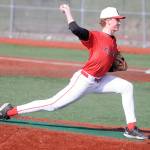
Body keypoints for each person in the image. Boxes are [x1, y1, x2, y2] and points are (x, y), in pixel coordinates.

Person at [0, 4, 148, 140]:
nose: (119, 22)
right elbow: (76, 30)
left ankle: (130, 128)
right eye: (117, 19)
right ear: (108, 20)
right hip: (84, 80)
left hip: (100, 80)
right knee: (53, 105)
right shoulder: (95, 36)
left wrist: (113, 67)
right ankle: (9, 111)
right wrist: (68, 12)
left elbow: (105, 63)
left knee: (127, 87)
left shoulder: (113, 41)